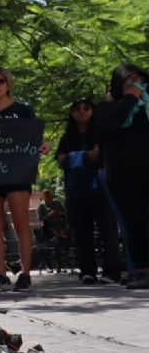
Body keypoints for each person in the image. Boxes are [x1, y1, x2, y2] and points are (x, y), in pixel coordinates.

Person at [0, 67, 51, 292]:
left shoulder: (23, 110)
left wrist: (44, 145)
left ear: (8, 84)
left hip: (17, 173)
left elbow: (34, 139)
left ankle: (25, 274)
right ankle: (1, 275)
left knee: (21, 223)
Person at [56, 98, 121, 284]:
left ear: (93, 111)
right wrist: (86, 156)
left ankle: (111, 272)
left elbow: (98, 156)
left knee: (108, 231)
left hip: (100, 189)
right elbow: (60, 160)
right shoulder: (67, 137)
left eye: (86, 108)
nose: (82, 111)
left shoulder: (100, 133)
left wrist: (74, 158)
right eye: (78, 108)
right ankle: (87, 271)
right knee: (82, 233)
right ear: (72, 113)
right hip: (76, 191)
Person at [97, 63, 149, 289]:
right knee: (135, 224)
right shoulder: (108, 108)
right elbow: (110, 125)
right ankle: (144, 271)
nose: (135, 85)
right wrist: (129, 99)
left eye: (139, 80)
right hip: (123, 176)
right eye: (129, 81)